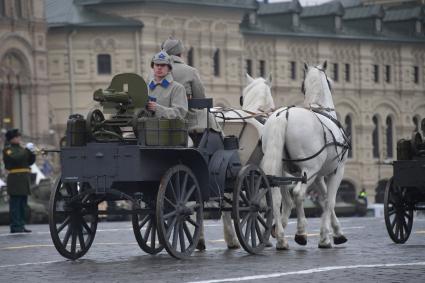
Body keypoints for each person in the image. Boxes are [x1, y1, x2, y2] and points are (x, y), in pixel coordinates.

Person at [161, 37, 220, 138]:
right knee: (208, 117)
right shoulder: (190, 71)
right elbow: (200, 98)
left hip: (160, 119)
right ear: (180, 54)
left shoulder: (155, 72)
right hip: (185, 119)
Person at [2, 129, 36, 233]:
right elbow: (17, 158)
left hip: (23, 179)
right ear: (11, 139)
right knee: (15, 205)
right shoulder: (8, 149)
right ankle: (15, 226)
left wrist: (32, 153)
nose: (19, 138)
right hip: (15, 179)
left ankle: (21, 224)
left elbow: (30, 161)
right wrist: (27, 150)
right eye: (16, 137)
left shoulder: (21, 149)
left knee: (23, 205)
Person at [147, 50, 187, 119]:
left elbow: (180, 113)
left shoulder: (177, 88)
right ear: (153, 67)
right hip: (147, 127)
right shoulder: (147, 87)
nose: (159, 67)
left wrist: (158, 109)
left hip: (168, 128)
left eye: (163, 65)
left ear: (169, 68)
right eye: (157, 65)